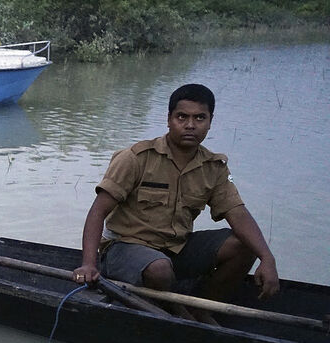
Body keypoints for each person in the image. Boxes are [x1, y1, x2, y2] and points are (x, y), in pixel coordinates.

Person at [73, 83, 279, 323]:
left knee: (245, 245)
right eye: (182, 117)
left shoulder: (213, 167)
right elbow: (98, 211)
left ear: (210, 121)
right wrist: (88, 264)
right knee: (159, 269)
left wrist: (267, 257)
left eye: (199, 118)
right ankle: (178, 312)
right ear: (169, 119)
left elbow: (238, 213)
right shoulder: (137, 158)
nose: (190, 125)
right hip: (125, 248)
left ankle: (201, 308)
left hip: (175, 249)